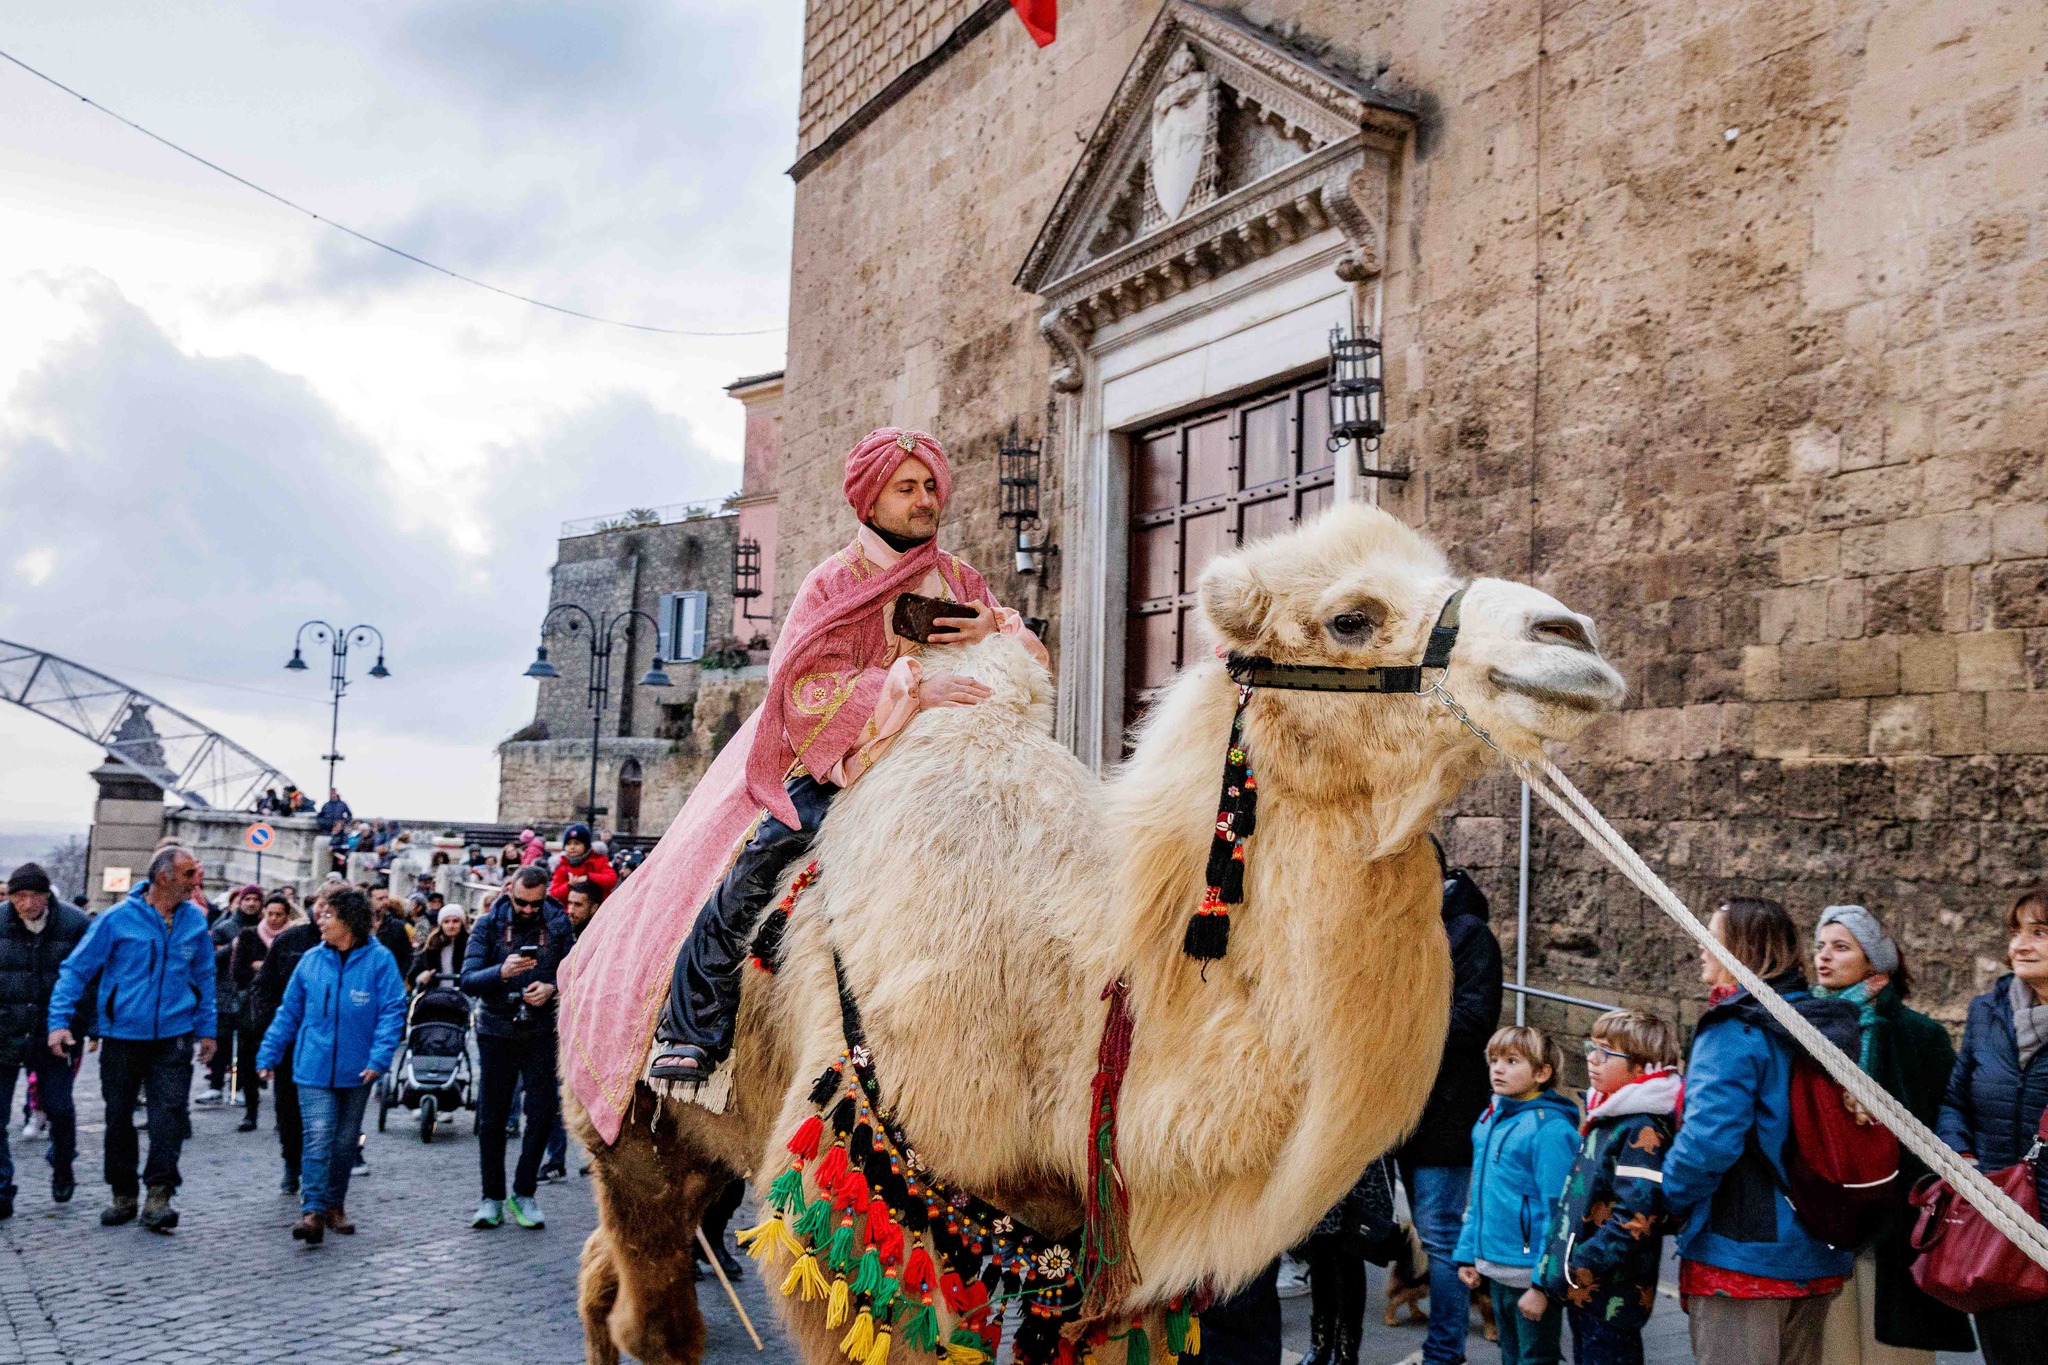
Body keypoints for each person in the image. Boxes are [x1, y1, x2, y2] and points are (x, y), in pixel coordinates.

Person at [646, 427, 1046, 1085]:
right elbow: (801, 681)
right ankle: (695, 1024)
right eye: (906, 488)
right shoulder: (831, 583)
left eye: (929, 487)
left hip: (953, 757)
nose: (925, 500)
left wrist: (996, 629)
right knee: (763, 858)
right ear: (870, 500)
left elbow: (1012, 647)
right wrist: (911, 689)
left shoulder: (958, 578)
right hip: (850, 757)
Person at [1662, 898, 1858, 1365]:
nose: (1701, 946)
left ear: (1744, 951)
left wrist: (1665, 1198)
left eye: (1713, 936)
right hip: (1815, 1241)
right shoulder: (1821, 1023)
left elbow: (1707, 1143)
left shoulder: (1734, 1029)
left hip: (1741, 1251)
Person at [1810, 905, 1973, 1363]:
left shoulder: (1919, 1034)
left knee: (1894, 1354)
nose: (1824, 957)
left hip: (1897, 1221)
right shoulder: (1801, 1023)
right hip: (1825, 1218)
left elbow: (1945, 1121)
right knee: (1831, 1352)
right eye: (1820, 946)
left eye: (1841, 947)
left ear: (1876, 966)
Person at [46, 846, 217, 1233]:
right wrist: (59, 1022)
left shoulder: (194, 923)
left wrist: (208, 1030)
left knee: (168, 1115)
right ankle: (123, 1193)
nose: (197, 881)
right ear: (163, 878)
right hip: (122, 1035)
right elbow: (75, 971)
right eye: (189, 874)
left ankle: (159, 1194)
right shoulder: (116, 920)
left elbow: (205, 977)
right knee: (118, 1116)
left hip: (173, 1035)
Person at [1395, 851, 1505, 1365]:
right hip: (1408, 1111)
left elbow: (1475, 1018)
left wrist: (1401, 1029)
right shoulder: (1405, 930)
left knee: (1440, 1232)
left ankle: (1444, 1350)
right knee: (1429, 1225)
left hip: (1449, 1107)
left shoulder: (1467, 934)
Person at [256, 886, 405, 1245]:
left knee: (344, 1144)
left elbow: (392, 1011)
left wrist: (379, 1058)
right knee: (319, 1137)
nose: (320, 921)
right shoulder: (310, 960)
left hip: (359, 1069)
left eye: (329, 916)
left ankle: (335, 1204)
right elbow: (288, 1012)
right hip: (313, 1066)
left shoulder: (380, 960)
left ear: (349, 923)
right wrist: (268, 1053)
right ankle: (312, 1212)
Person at [1533, 1010, 1684, 1365]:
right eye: (1591, 1047)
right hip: (1585, 1291)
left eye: (1606, 1053)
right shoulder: (1610, 1117)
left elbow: (1635, 1218)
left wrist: (1577, 1265)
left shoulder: (1640, 1129)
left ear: (1640, 1068)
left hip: (1610, 1296)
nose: (1591, 1058)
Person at [1937, 885, 2048, 1365]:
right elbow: (1955, 1101)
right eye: (2016, 932)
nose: (2020, 945)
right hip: (1999, 1232)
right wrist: (1962, 1159)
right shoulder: (1988, 1011)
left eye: (2040, 933)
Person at [1451, 1025, 1578, 1365]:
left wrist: (1542, 1285)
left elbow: (1561, 1214)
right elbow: (1478, 1194)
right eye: (1493, 1060)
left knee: (1535, 1356)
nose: (1498, 1068)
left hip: (1529, 1271)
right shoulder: (1493, 1116)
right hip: (1496, 1264)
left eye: (1511, 1060)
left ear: (1542, 1073)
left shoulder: (1549, 1129)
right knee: (1509, 1352)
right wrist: (1468, 1252)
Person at [461, 865, 572, 1229]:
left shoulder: (557, 923)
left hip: (541, 1030)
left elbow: (573, 971)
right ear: (510, 891)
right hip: (496, 1027)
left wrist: (553, 988)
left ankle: (524, 1191)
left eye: (534, 905)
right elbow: (469, 980)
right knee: (491, 1117)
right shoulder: (488, 925)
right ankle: (490, 1196)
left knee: (541, 1112)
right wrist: (501, 973)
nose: (527, 911)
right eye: (521, 903)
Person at [0, 864, 88, 1214]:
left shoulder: (75, 924)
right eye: (17, 896)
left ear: (46, 895)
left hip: (53, 1034)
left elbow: (90, 979)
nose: (25, 904)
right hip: (4, 1032)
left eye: (33, 896)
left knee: (60, 1109)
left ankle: (63, 1163)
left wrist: (76, 1026)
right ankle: (2, 1189)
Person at [253, 892, 326, 1195]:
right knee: (288, 1108)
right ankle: (292, 1164)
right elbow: (264, 988)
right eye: (322, 906)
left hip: (329, 1043)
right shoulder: (290, 941)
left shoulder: (358, 947)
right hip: (291, 1040)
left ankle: (324, 1170)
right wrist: (268, 1032)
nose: (325, 914)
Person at [228, 892, 295, 1133]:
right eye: (270, 914)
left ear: (287, 915)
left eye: (279, 914)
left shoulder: (292, 938)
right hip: (253, 1009)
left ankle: (282, 1116)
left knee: (284, 1064)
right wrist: (264, 970)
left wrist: (262, 966)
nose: (274, 919)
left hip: (283, 1007)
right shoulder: (249, 935)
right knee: (247, 1061)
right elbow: (238, 972)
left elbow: (293, 974)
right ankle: (250, 1113)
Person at [200, 885, 263, 1106]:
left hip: (252, 993)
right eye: (248, 899)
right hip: (226, 991)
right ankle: (216, 1085)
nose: (252, 903)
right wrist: (231, 948)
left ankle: (243, 1086)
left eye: (256, 899)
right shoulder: (225, 928)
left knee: (247, 1045)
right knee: (223, 1041)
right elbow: (209, 958)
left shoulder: (263, 931)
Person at [547, 824, 617, 902]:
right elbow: (554, 892)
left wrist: (588, 877)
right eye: (568, 844)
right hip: (571, 911)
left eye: (577, 843)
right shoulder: (562, 866)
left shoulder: (598, 860)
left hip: (599, 908)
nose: (572, 847)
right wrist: (569, 885)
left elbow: (611, 880)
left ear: (586, 845)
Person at [414, 905, 469, 989]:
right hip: (435, 995)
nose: (451, 926)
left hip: (462, 994)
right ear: (441, 924)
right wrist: (421, 976)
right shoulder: (430, 945)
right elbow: (414, 971)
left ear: (462, 923)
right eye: (446, 921)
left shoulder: (470, 944)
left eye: (455, 921)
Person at [370, 894, 414, 983]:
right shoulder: (359, 929)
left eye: (386, 898)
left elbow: (408, 955)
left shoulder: (399, 926)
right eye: (380, 898)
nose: (385, 902)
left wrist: (399, 977)